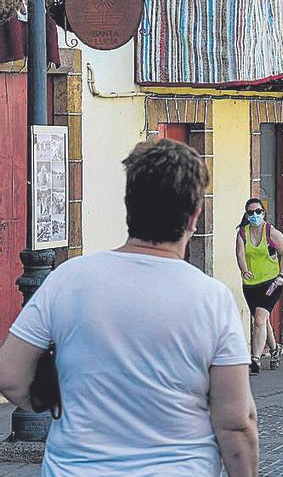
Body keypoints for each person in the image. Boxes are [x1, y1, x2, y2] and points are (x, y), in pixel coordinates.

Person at [0, 139, 257, 474]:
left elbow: (10, 376)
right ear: (194, 216)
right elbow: (236, 421)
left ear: (129, 206)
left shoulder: (68, 279)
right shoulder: (212, 298)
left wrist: (64, 408)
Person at [235, 197, 283, 374]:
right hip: (250, 284)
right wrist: (244, 270)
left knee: (258, 320)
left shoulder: (272, 232)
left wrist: (281, 275)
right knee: (262, 321)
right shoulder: (242, 233)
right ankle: (275, 349)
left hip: (271, 282)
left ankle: (255, 360)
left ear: (263, 213)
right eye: (251, 212)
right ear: (247, 214)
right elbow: (240, 255)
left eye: (258, 212)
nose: (255, 215)